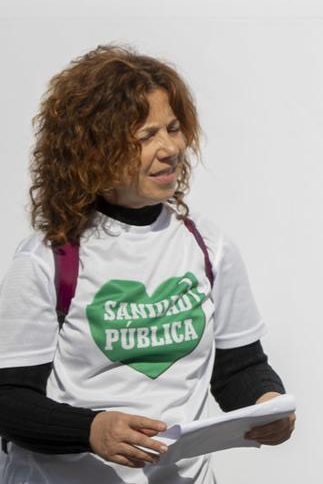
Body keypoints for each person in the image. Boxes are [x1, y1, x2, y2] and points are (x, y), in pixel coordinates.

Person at [0, 47, 293, 483]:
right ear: (92, 149)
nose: (171, 148)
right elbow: (9, 400)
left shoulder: (209, 247)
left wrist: (268, 404)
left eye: (174, 129)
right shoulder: (48, 258)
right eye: (146, 135)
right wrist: (90, 430)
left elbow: (238, 369)